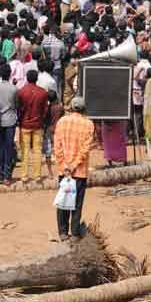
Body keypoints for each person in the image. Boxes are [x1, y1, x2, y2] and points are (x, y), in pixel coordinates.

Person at [54, 96, 94, 240]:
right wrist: (74, 165)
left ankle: (63, 232)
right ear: (83, 108)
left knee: (63, 200)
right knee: (77, 203)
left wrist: (65, 166)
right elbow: (85, 149)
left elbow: (57, 147)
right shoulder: (88, 124)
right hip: (79, 171)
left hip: (64, 171)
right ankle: (75, 232)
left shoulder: (62, 122)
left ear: (71, 107)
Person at [17, 69, 49, 182]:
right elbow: (45, 110)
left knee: (24, 150)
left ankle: (24, 176)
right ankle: (37, 175)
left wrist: (20, 120)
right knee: (37, 150)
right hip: (38, 124)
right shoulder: (43, 92)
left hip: (25, 124)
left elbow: (19, 109)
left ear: (27, 78)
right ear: (37, 79)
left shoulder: (21, 92)